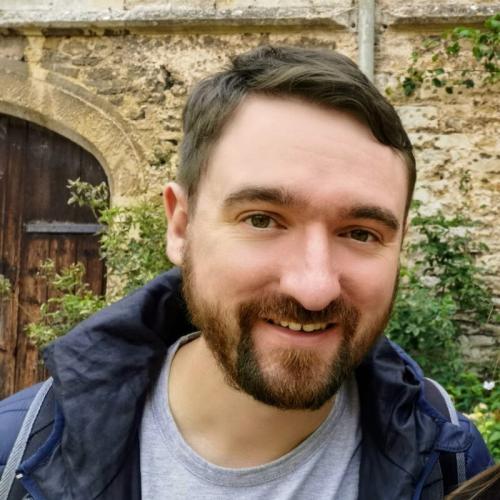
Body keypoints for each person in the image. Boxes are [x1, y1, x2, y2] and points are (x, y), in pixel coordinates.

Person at [0, 45, 494, 500]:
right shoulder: (14, 458)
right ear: (181, 227)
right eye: (261, 220)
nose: (315, 288)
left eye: (361, 233)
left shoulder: (452, 466)